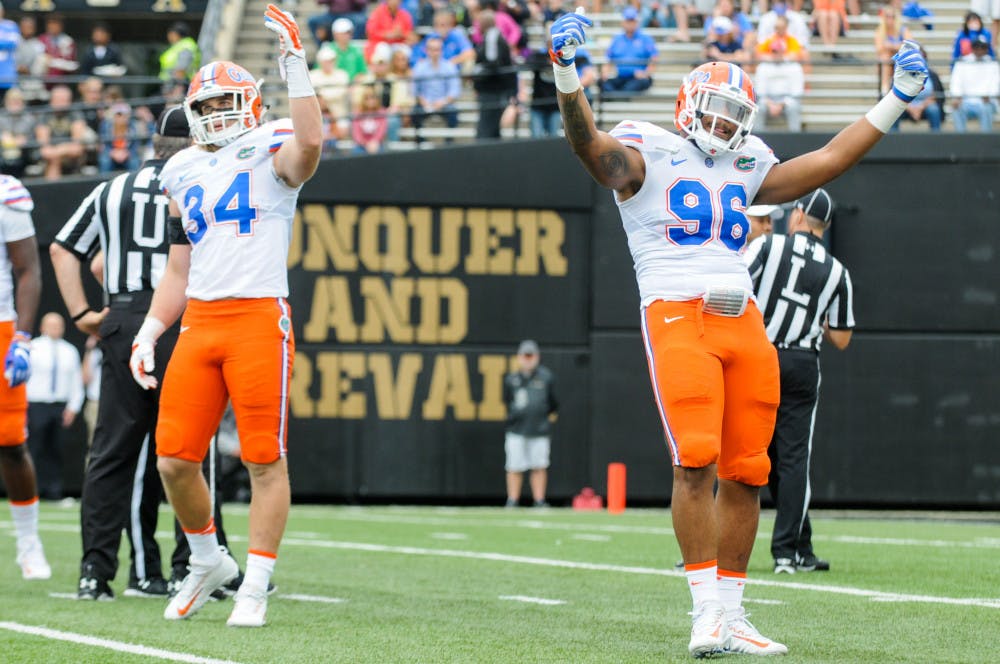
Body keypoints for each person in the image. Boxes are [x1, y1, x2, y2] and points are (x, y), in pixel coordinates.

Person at [548, 10, 927, 656]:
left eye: (733, 115)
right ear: (687, 105)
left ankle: (732, 610)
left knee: (750, 469)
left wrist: (897, 98)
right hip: (675, 309)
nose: (724, 125)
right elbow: (588, 145)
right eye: (714, 111)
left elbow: (829, 161)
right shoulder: (648, 151)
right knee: (695, 456)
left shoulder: (750, 161)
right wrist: (565, 73)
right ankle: (703, 614)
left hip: (743, 319)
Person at [127, 4, 322, 627]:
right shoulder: (181, 169)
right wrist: (150, 328)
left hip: (258, 317)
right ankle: (209, 559)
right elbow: (180, 269)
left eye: (223, 103)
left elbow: (311, 141)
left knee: (264, 458)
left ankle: (257, 582)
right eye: (205, 106)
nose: (214, 115)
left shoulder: (273, 148)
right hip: (199, 323)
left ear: (252, 103)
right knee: (174, 459)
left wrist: (294, 62)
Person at [51, 105, 239, 601]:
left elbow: (64, 249)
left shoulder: (112, 189)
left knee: (112, 453)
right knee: (192, 450)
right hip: (184, 318)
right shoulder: (203, 182)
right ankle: (194, 563)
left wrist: (81, 314)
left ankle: (96, 571)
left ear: (155, 141)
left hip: (124, 316)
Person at [746, 188, 853, 575]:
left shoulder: (766, 247)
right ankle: (790, 551)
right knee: (792, 459)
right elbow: (841, 337)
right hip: (802, 360)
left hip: (760, 354)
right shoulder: (837, 270)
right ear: (824, 226)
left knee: (742, 448)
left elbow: (736, 287)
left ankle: (713, 547)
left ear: (796, 217)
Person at [1, 173, 51, 581]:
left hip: (0, 326)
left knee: (11, 444)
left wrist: (22, 336)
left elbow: (28, 269)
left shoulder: (6, 192)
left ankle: (28, 542)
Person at [25, 312, 83, 502]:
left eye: (59, 325)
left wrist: (73, 407)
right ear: (42, 327)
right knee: (34, 449)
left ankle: (54, 491)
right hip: (36, 404)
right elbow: (24, 380)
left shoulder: (70, 351)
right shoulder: (32, 348)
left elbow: (76, 381)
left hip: (60, 406)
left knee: (56, 449)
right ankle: (30, 491)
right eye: (51, 325)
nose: (55, 329)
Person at [503, 340, 558, 508]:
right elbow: (506, 402)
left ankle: (539, 500)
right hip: (517, 430)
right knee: (514, 466)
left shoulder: (546, 377)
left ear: (537, 357)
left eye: (530, 355)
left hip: (539, 430)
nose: (528, 359)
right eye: (525, 355)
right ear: (519, 357)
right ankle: (512, 500)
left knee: (539, 466)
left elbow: (553, 404)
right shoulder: (511, 379)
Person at [601, 7, 658, 95]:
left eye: (632, 21)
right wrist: (605, 73)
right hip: (621, 77)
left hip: (638, 78)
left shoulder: (645, 38)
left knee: (638, 84)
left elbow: (654, 58)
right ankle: (618, 97)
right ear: (623, 23)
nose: (630, 24)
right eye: (628, 21)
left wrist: (645, 73)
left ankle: (616, 97)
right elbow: (608, 59)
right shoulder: (617, 39)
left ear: (637, 22)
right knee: (601, 82)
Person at [949, 35, 1000, 132]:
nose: (980, 50)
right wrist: (957, 96)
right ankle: (961, 140)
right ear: (972, 48)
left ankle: (985, 141)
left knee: (987, 108)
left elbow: (995, 83)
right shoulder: (962, 62)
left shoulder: (993, 63)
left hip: (986, 101)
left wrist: (989, 96)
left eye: (983, 47)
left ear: (986, 49)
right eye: (977, 47)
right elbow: (956, 81)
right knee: (956, 108)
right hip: (966, 101)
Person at [158, 22, 200, 96]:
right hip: (173, 85)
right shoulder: (180, 46)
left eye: (170, 33)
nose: (169, 36)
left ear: (175, 34)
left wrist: (177, 89)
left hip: (177, 87)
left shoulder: (185, 46)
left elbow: (181, 69)